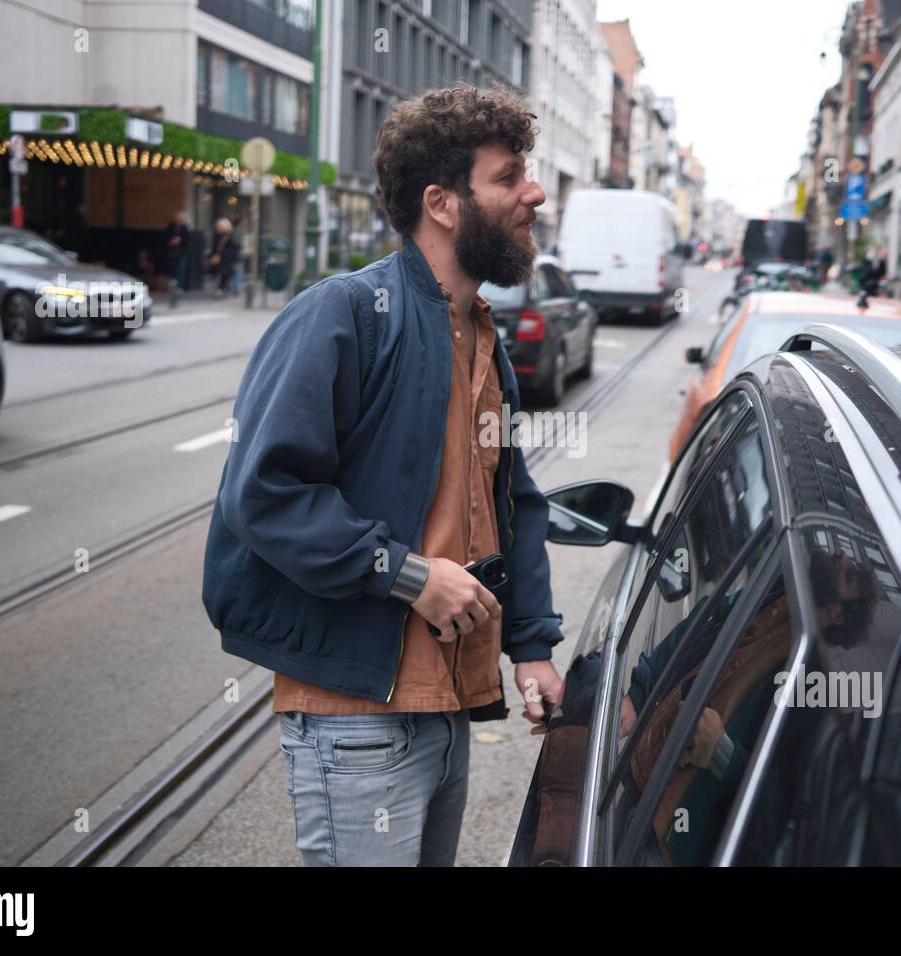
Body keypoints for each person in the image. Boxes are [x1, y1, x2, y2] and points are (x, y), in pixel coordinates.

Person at [201, 85, 567, 867]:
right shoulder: (344, 314)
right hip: (356, 717)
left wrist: (531, 645)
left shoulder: (480, 334)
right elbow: (263, 496)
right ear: (442, 202)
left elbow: (514, 503)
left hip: (446, 707)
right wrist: (405, 575)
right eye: (509, 177)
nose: (532, 193)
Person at [206, 218, 238, 298]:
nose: (218, 228)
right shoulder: (217, 236)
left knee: (225, 274)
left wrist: (235, 260)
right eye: (218, 226)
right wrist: (210, 257)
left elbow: (235, 248)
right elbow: (214, 248)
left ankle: (222, 289)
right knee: (218, 274)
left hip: (227, 259)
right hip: (218, 258)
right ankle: (222, 288)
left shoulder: (231, 236)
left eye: (220, 226)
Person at [165, 210, 190, 290]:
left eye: (180, 218)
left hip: (182, 253)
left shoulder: (185, 228)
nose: (179, 220)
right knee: (172, 271)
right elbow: (165, 239)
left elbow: (187, 241)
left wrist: (180, 240)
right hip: (171, 253)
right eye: (177, 218)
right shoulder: (170, 228)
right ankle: (173, 287)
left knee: (181, 271)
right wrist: (171, 242)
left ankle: (179, 287)